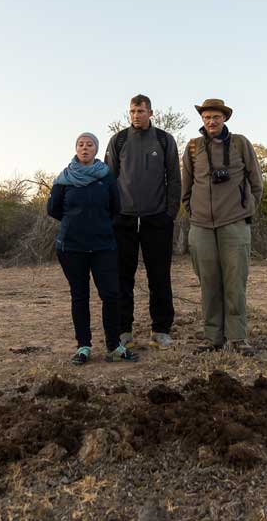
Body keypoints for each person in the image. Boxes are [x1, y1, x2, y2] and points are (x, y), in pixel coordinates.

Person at [47, 132, 140, 366]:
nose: (85, 148)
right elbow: (53, 209)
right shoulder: (64, 178)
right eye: (81, 144)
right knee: (80, 296)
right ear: (75, 148)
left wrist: (96, 224)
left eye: (89, 145)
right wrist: (76, 222)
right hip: (72, 247)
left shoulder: (106, 176)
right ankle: (83, 347)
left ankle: (114, 347)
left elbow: (115, 206)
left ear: (96, 149)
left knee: (110, 295)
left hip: (103, 246)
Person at [181, 98, 263, 356]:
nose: (211, 121)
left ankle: (237, 338)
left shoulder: (241, 143)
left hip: (234, 224)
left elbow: (256, 181)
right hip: (201, 225)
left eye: (216, 117)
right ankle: (212, 337)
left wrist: (246, 208)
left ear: (224, 118)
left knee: (235, 282)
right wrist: (194, 212)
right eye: (206, 117)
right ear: (202, 120)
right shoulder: (193, 147)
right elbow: (186, 187)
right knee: (209, 282)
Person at [104, 94, 181, 351]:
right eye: (132, 111)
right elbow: (109, 179)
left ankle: (161, 330)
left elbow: (175, 179)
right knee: (121, 277)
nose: (136, 115)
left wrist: (170, 213)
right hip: (123, 220)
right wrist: (113, 214)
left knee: (159, 276)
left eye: (141, 111)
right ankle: (123, 329)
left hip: (156, 219)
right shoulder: (119, 140)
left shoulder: (164, 140)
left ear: (151, 112)